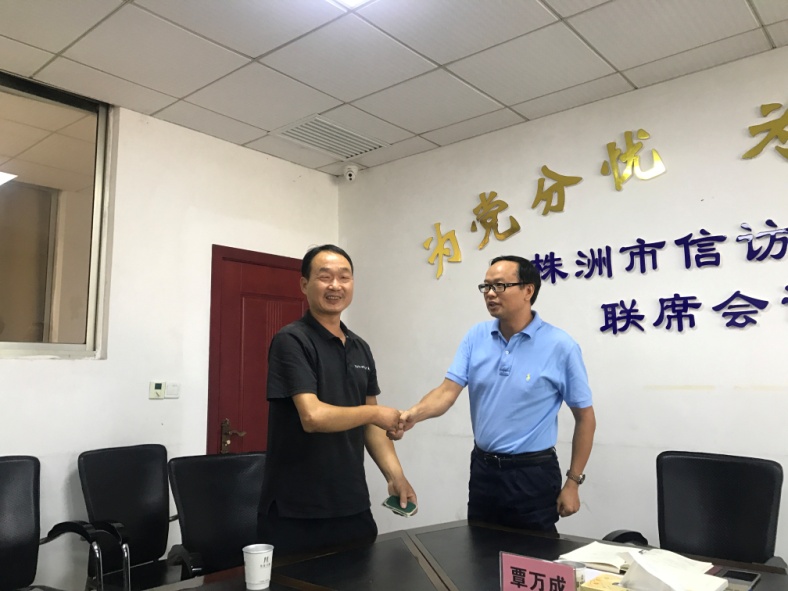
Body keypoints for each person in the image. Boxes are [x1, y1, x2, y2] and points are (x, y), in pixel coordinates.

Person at [391, 255, 595, 532]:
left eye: (499, 286)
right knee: (481, 550)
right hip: (484, 470)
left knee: (533, 553)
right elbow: (447, 392)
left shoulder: (561, 346)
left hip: (532, 474)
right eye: (486, 286)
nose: (489, 293)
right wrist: (413, 414)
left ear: (528, 290)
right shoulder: (476, 336)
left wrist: (573, 482)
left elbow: (585, 418)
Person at [258, 244, 417, 556]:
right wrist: (375, 414)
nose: (335, 285)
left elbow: (372, 426)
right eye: (325, 277)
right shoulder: (292, 340)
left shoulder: (360, 347)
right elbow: (313, 417)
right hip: (297, 511)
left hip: (351, 505)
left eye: (344, 277)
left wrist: (396, 476)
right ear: (304, 284)